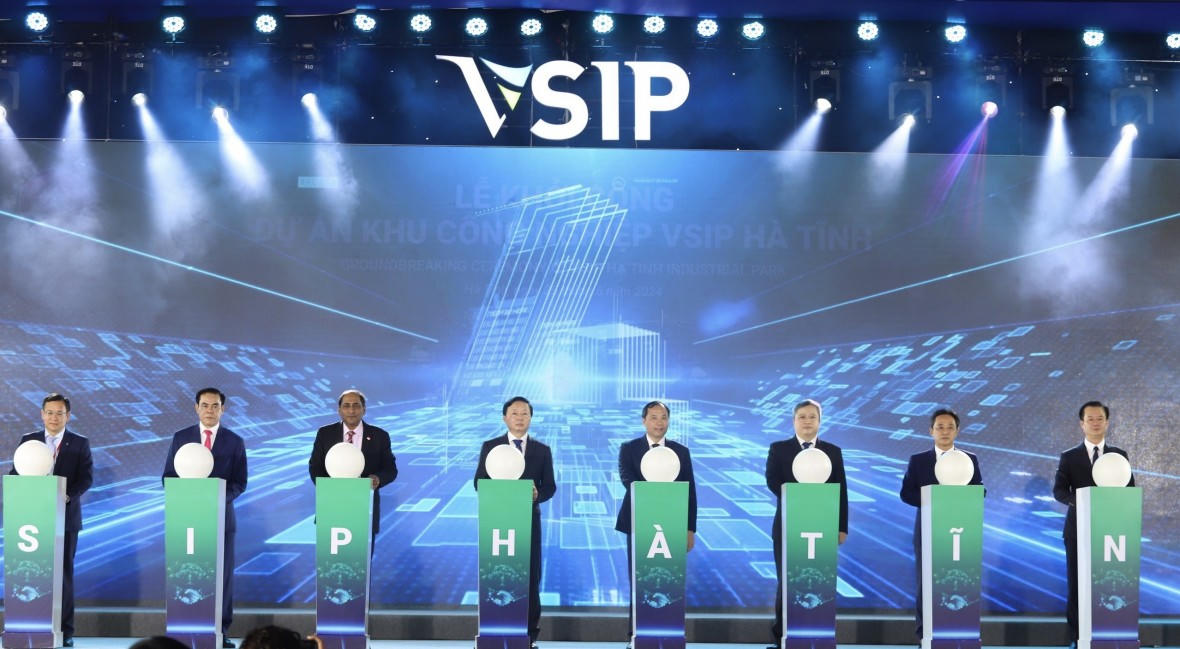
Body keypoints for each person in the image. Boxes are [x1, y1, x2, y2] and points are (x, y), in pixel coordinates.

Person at [162, 387, 248, 649]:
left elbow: (240, 482)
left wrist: (216, 498)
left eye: (215, 406)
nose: (210, 410)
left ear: (223, 409)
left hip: (221, 519)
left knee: (222, 577)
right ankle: (183, 629)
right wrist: (190, 499)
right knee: (186, 572)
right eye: (205, 405)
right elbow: (168, 477)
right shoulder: (181, 438)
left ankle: (221, 631)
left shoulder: (234, 441)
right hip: (187, 520)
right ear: (196, 408)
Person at [10, 393, 93, 648]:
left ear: (68, 415)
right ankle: (29, 624)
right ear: (42, 414)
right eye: (49, 412)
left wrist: (66, 496)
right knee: (31, 572)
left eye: (59, 413)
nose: (54, 417)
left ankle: (65, 630)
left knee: (63, 576)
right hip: (31, 521)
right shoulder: (29, 441)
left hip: (65, 520)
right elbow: (16, 473)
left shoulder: (79, 443)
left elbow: (86, 478)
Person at [473, 396, 557, 649]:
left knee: (530, 577)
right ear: (504, 418)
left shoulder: (542, 450)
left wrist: (537, 495)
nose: (520, 418)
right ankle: (492, 631)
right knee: (496, 574)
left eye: (524, 414)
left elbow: (550, 487)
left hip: (528, 521)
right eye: (514, 413)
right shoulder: (491, 447)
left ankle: (529, 636)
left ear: (531, 418)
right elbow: (479, 482)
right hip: (497, 522)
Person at [764, 399, 848, 648]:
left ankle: (819, 635)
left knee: (819, 580)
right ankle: (782, 637)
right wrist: (799, 497)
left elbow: (841, 489)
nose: (807, 421)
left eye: (812, 417)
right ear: (794, 421)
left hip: (822, 527)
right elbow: (772, 480)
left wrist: (841, 526)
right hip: (787, 526)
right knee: (787, 581)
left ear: (820, 421)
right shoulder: (779, 449)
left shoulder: (832, 451)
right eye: (802, 416)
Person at [1052, 401, 1134, 648]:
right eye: (1090, 419)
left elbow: (1129, 490)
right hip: (1078, 530)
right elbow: (1059, 491)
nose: (1095, 423)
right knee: (1077, 586)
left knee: (1109, 583)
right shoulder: (1069, 456)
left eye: (1100, 418)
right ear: (1082, 424)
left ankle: (1110, 633)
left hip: (1112, 532)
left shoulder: (1119, 456)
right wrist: (1083, 501)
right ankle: (1076, 637)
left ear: (1107, 422)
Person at [615, 401, 697, 644]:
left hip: (673, 524)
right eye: (654, 417)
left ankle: (670, 635)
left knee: (670, 580)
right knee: (639, 581)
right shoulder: (629, 448)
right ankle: (635, 636)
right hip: (638, 522)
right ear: (644, 421)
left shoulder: (681, 451)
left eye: (663, 417)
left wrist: (690, 528)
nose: (659, 422)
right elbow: (627, 480)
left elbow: (690, 491)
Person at [899, 407, 984, 639]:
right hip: (927, 530)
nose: (945, 431)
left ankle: (959, 632)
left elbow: (979, 490)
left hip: (960, 531)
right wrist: (934, 499)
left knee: (958, 579)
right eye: (940, 427)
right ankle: (924, 635)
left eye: (950, 427)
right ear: (931, 431)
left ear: (957, 431)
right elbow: (906, 493)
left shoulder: (970, 460)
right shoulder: (918, 460)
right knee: (925, 583)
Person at [308, 389, 398, 548]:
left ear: (364, 409)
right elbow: (315, 467)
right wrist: (330, 488)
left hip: (365, 508)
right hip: (331, 506)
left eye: (356, 405)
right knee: (331, 559)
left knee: (361, 560)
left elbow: (390, 469)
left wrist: (378, 479)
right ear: (339, 410)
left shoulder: (380, 436)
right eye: (346, 405)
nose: (351, 410)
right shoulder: (325, 434)